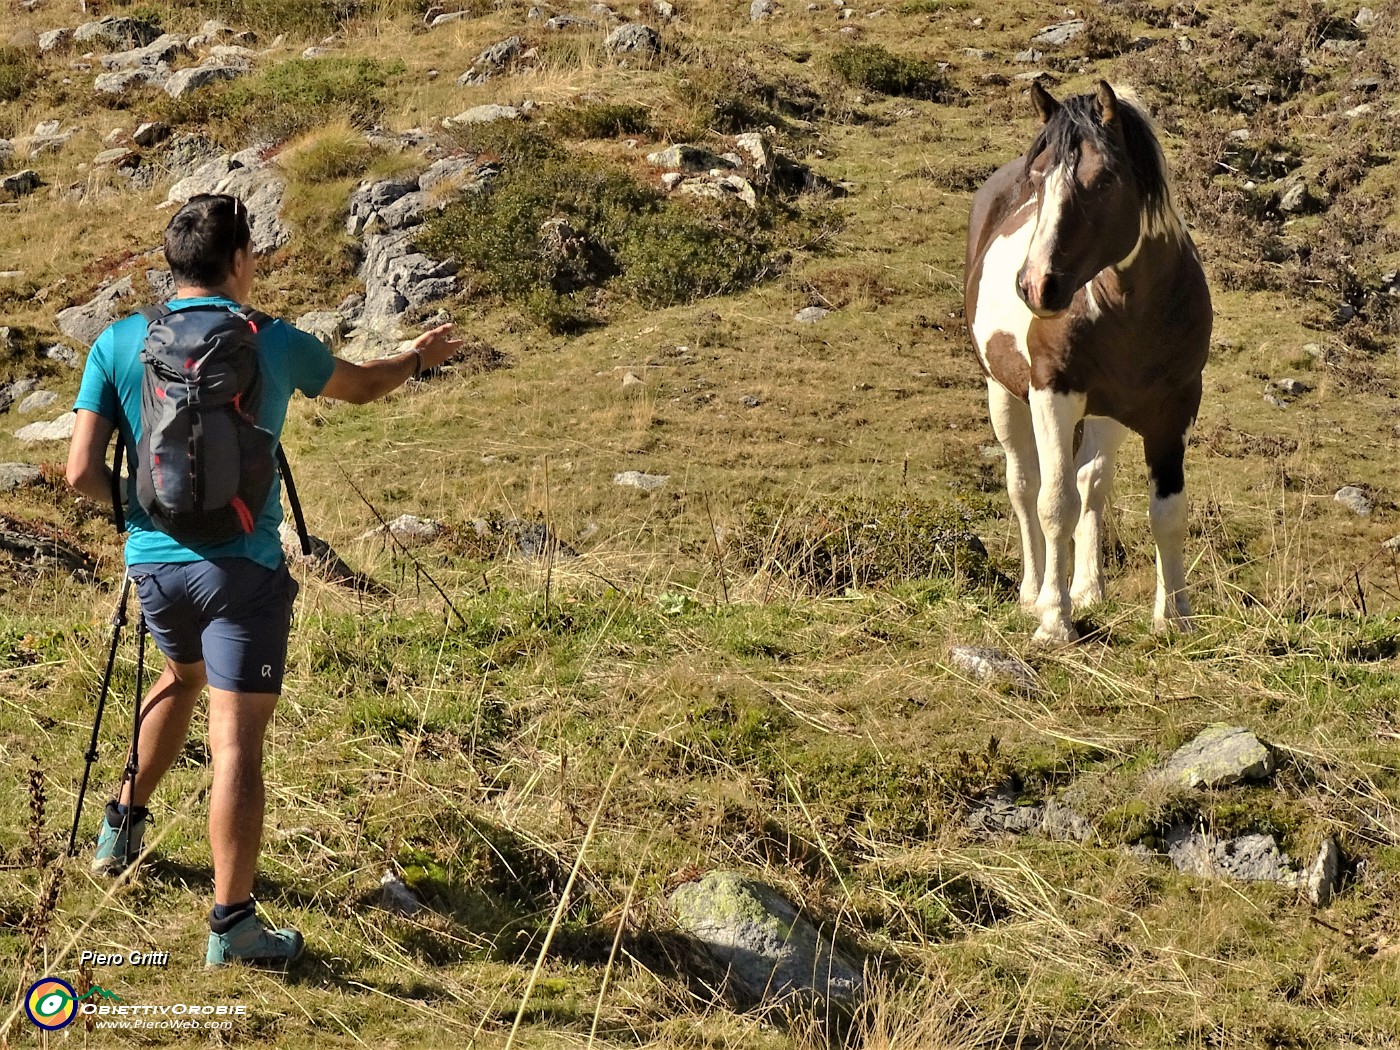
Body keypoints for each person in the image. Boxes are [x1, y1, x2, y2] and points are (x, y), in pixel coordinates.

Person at [64, 192, 463, 967]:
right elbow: (364, 385)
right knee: (236, 738)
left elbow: (80, 472)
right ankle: (232, 926)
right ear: (239, 261)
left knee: (180, 677)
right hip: (244, 569)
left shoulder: (118, 341)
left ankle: (120, 827)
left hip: (153, 567)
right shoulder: (273, 341)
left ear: (173, 262)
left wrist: (144, 519)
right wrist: (418, 357)